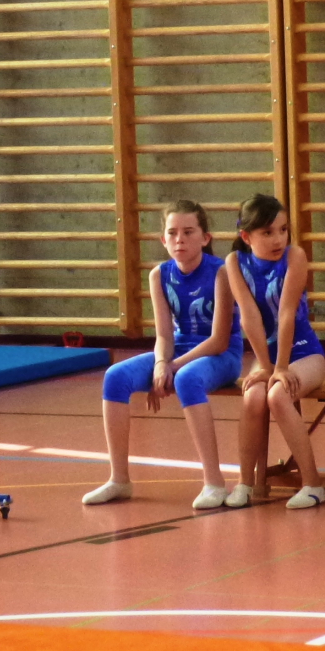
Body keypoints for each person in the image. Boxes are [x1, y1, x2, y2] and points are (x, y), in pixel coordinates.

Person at [82, 200, 240, 514]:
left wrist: (172, 367)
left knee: (187, 379)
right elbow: (165, 336)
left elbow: (219, 340)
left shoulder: (221, 272)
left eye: (188, 232)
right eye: (172, 233)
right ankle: (119, 479)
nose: (179, 239)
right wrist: (159, 365)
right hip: (177, 350)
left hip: (221, 355)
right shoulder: (159, 275)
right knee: (115, 376)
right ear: (163, 240)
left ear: (205, 238)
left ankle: (214, 482)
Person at [223, 194, 325, 511]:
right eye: (267, 232)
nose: (278, 239)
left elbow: (286, 313)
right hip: (267, 356)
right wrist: (266, 366)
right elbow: (249, 316)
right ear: (246, 236)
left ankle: (313, 483)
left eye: (283, 230)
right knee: (253, 395)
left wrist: (280, 366)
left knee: (278, 396)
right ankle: (245, 482)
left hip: (304, 353)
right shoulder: (235, 262)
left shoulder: (295, 256)